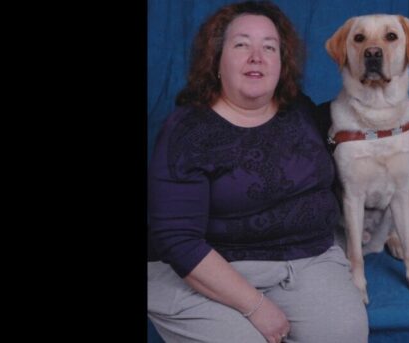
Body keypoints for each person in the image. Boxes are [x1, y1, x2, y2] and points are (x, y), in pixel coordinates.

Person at [147, 1, 368, 342]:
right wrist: (256, 307)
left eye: (269, 47)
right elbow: (178, 240)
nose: (257, 56)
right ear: (216, 61)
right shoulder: (187, 132)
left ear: (282, 63)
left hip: (307, 258)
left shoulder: (300, 110)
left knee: (345, 335)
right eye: (241, 45)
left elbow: (354, 134)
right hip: (208, 268)